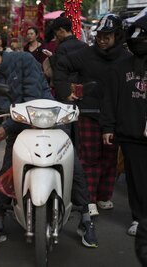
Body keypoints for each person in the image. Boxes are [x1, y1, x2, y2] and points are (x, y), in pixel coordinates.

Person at [0, 38, 98, 248]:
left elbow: (30, 101)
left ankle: (85, 217)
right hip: (18, 129)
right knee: (6, 172)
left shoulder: (24, 60)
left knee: (72, 165)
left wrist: (6, 127)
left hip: (49, 121)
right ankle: (0, 220)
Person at [54, 14, 131, 216]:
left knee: (110, 158)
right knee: (89, 158)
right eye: (100, 36)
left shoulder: (126, 58)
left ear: (118, 36)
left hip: (114, 117)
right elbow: (61, 65)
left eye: (108, 36)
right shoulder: (86, 54)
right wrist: (64, 91)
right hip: (89, 113)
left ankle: (104, 196)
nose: (102, 40)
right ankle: (88, 200)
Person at [100, 15, 147, 236]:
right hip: (130, 133)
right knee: (136, 178)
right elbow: (110, 99)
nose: (139, 41)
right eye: (136, 37)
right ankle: (139, 218)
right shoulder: (119, 68)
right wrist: (108, 127)